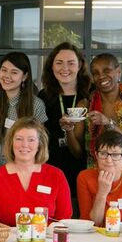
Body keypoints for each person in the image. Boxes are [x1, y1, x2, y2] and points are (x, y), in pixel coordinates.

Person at [0, 117, 72, 225]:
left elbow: (63, 219)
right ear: (11, 142)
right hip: (7, 240)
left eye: (31, 140)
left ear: (40, 144)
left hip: (46, 240)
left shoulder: (56, 175)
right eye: (19, 139)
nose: (24, 145)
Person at [38, 42, 92, 200]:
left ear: (80, 65)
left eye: (71, 63)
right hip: (52, 166)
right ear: (52, 66)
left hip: (85, 168)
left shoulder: (91, 95)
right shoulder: (44, 96)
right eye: (59, 63)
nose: (65, 68)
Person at [77, 130, 122, 225]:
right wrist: (102, 194)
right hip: (97, 238)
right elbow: (90, 224)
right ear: (96, 155)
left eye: (115, 155)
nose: (108, 160)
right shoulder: (85, 178)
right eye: (103, 154)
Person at [0, 51, 48, 170]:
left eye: (14, 72)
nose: (7, 76)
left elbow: (39, 145)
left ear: (24, 76)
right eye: (4, 70)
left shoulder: (36, 105)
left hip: (23, 174)